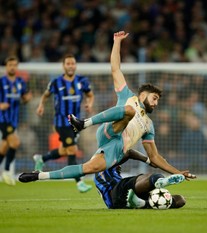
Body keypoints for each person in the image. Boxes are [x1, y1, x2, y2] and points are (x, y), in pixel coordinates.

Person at [18, 31, 196, 185]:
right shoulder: (129, 96)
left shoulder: (149, 125)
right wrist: (117, 42)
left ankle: (39, 175)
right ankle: (84, 123)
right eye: (154, 98)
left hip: (117, 148)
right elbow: (115, 69)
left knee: (89, 168)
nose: (156, 103)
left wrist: (178, 172)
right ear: (143, 94)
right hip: (110, 131)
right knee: (129, 111)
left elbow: (155, 157)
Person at [32, 53, 94, 193]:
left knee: (64, 150)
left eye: (73, 63)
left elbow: (90, 95)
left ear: (75, 65)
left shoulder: (82, 81)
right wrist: (41, 105)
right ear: (64, 66)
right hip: (61, 123)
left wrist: (89, 104)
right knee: (72, 150)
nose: (71, 66)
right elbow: (46, 95)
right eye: (68, 63)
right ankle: (79, 182)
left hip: (76, 123)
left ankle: (41, 158)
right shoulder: (56, 82)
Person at [95, 149, 186, 209]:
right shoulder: (103, 165)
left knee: (180, 200)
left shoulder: (107, 172)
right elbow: (130, 152)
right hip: (117, 194)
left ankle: (143, 204)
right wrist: (149, 161)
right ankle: (158, 181)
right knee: (147, 178)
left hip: (121, 203)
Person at [0, 56, 32, 185]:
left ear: (16, 67)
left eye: (14, 65)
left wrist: (27, 98)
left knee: (4, 147)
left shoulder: (20, 82)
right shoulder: (1, 82)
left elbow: (24, 97)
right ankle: (7, 171)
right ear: (6, 67)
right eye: (10, 65)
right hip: (3, 118)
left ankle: (5, 171)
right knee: (15, 142)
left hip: (13, 120)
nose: (12, 67)